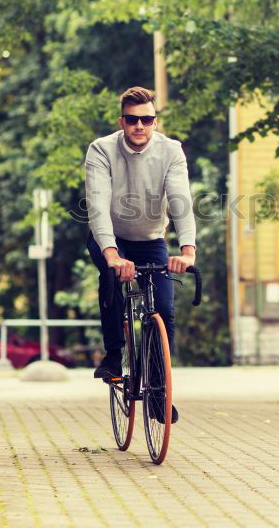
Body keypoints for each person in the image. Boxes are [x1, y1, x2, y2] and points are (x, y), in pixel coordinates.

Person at [84, 86, 196, 424]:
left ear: (155, 122)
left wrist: (187, 250)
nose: (139, 126)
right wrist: (113, 255)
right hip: (111, 238)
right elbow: (98, 206)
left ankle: (159, 393)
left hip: (150, 239)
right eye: (132, 120)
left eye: (146, 120)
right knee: (110, 277)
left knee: (163, 307)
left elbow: (180, 200)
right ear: (122, 122)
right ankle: (115, 354)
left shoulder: (170, 151)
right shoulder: (101, 150)